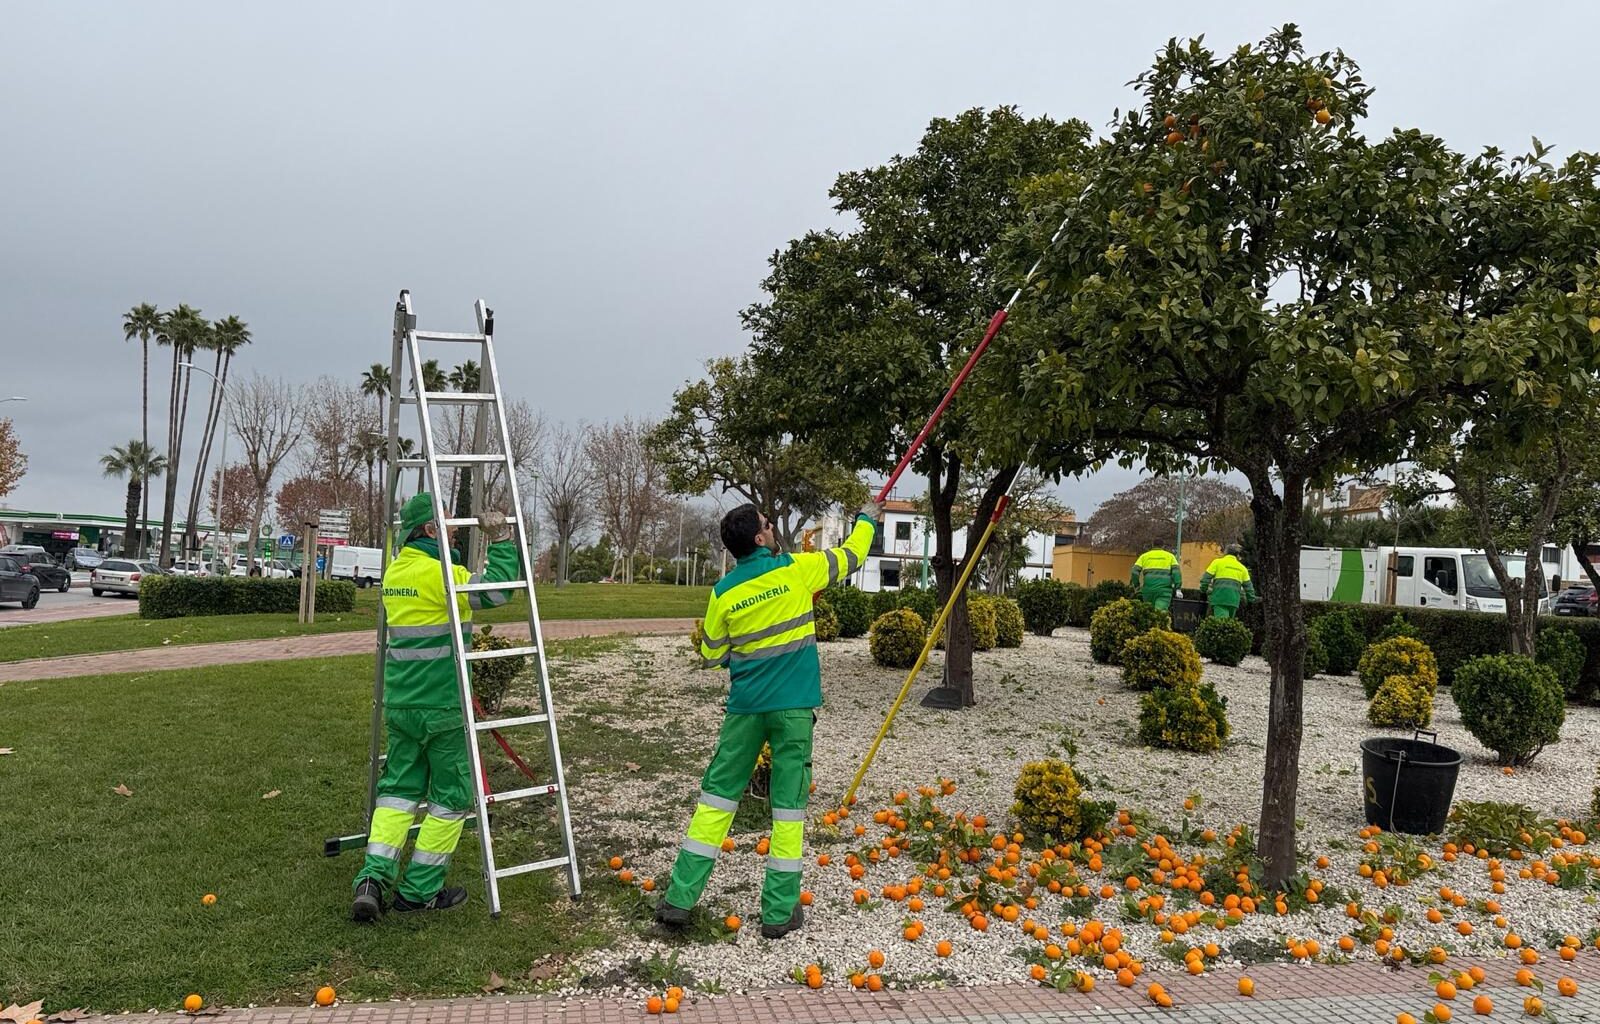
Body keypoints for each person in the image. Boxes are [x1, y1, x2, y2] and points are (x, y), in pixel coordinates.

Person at [656, 500, 879, 939]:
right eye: (767, 523)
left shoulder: (723, 592)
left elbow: (711, 653)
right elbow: (853, 555)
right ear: (759, 538)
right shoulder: (797, 569)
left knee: (716, 801)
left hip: (745, 710)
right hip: (793, 710)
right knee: (788, 811)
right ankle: (778, 913)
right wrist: (868, 519)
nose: (773, 526)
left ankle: (679, 900)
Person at [350, 492, 521, 921]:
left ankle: (372, 880)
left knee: (397, 794)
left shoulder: (394, 573)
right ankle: (419, 891)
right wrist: (501, 540)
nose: (454, 532)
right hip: (442, 706)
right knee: (450, 798)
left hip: (401, 704)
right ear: (429, 530)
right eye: (447, 525)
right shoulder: (441, 575)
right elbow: (498, 593)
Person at [1199, 544, 1256, 619]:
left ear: (1225, 552)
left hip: (1219, 599)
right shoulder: (1242, 568)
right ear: (1237, 555)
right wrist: (1251, 600)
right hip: (1234, 601)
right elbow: (1249, 588)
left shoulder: (1217, 562)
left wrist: (1203, 591)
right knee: (1229, 623)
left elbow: (1205, 579)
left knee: (1222, 623)